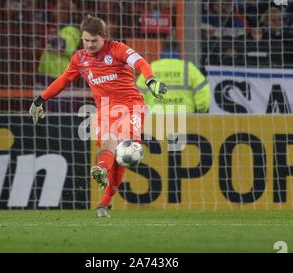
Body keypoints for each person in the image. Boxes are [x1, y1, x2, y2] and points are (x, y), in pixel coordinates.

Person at [28, 15, 167, 217]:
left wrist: (151, 81)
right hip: (105, 110)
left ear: (103, 37)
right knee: (109, 147)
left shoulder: (117, 49)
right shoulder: (80, 59)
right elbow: (63, 80)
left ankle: (104, 199)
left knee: (124, 151)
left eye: (94, 40)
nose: (90, 44)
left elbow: (140, 62)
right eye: (86, 40)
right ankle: (101, 179)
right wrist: (40, 99)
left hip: (130, 107)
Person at [136, 41, 210, 113]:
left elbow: (137, 94)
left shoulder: (151, 68)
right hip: (185, 119)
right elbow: (203, 90)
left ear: (161, 51)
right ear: (179, 51)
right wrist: (201, 110)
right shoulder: (188, 68)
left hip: (155, 120)